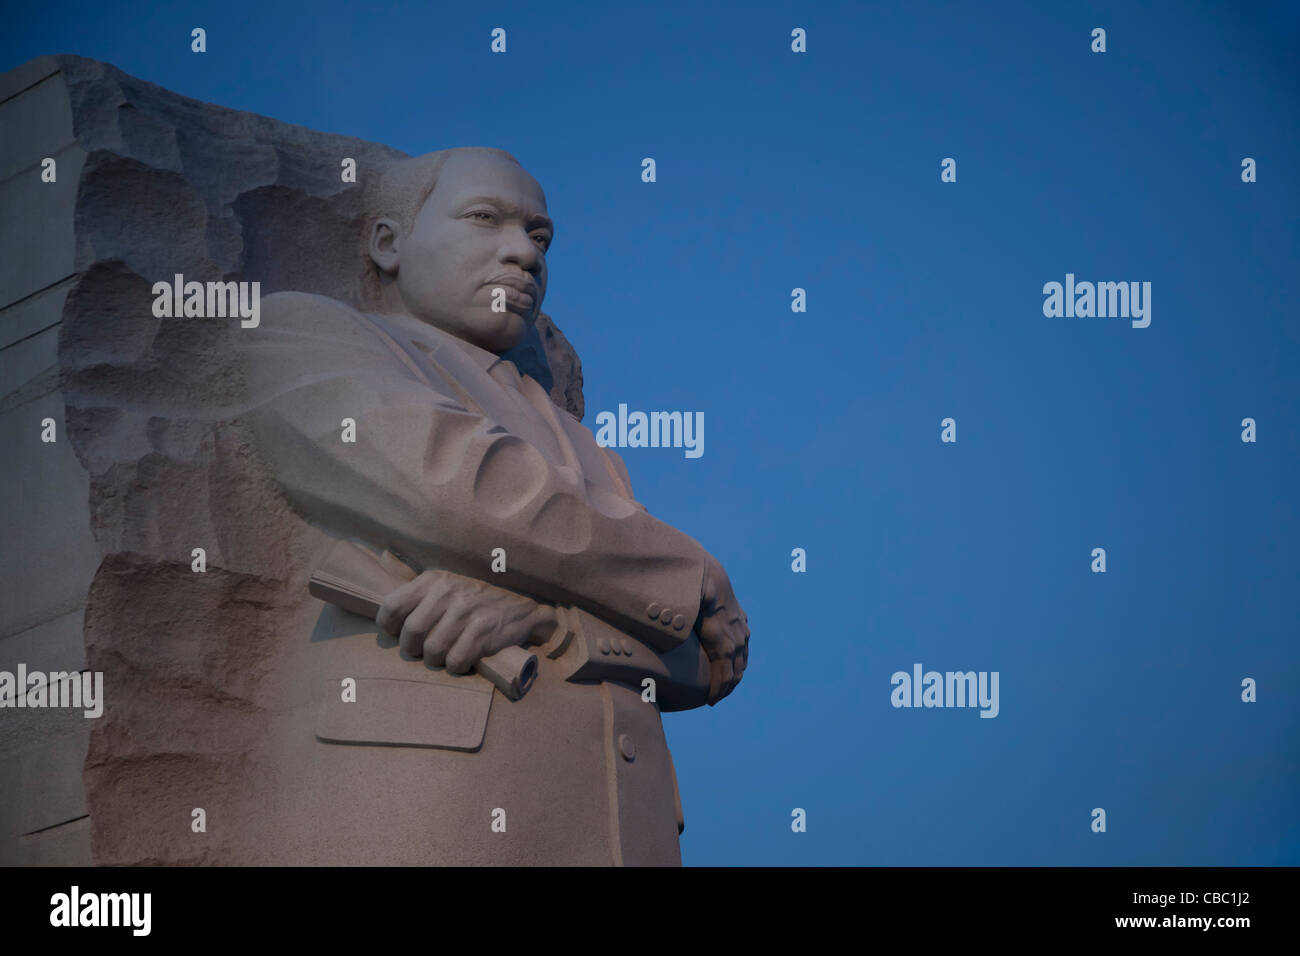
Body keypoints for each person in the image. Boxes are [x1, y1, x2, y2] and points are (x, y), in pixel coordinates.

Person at [230, 146, 750, 864]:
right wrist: (687, 570)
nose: (524, 255)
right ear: (388, 244)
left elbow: (708, 663)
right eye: (485, 220)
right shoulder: (308, 334)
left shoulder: (591, 454)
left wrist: (554, 622)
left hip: (627, 829)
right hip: (431, 799)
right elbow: (456, 489)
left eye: (540, 238)